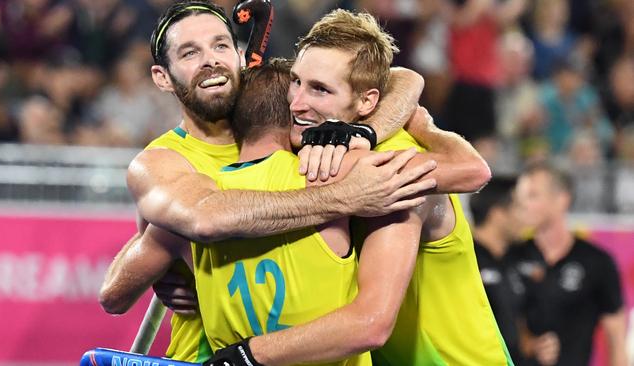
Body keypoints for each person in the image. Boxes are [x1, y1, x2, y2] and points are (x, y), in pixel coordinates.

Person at [102, 0, 488, 363]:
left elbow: (404, 80)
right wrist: (343, 198)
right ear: (162, 77)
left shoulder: (298, 129)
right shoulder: (163, 162)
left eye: (220, 44)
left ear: (240, 56)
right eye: (190, 53)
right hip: (205, 357)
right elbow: (193, 230)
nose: (210, 61)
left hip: (330, 352)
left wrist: (365, 133)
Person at [211, 9, 505, 365]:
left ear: (367, 101)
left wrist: (247, 355)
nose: (297, 103)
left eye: (319, 89)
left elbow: (371, 324)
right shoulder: (317, 147)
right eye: (296, 81)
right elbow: (405, 79)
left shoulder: (392, 160)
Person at [512, 162, 627, 366]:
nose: (523, 204)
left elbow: (616, 342)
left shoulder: (597, 262)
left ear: (562, 200)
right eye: (522, 196)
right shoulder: (512, 256)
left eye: (533, 195)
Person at [470, 177, 555, 365]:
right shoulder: (465, 258)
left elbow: (515, 318)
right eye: (519, 208)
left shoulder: (517, 259)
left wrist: (532, 345)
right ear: (498, 213)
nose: (525, 218)